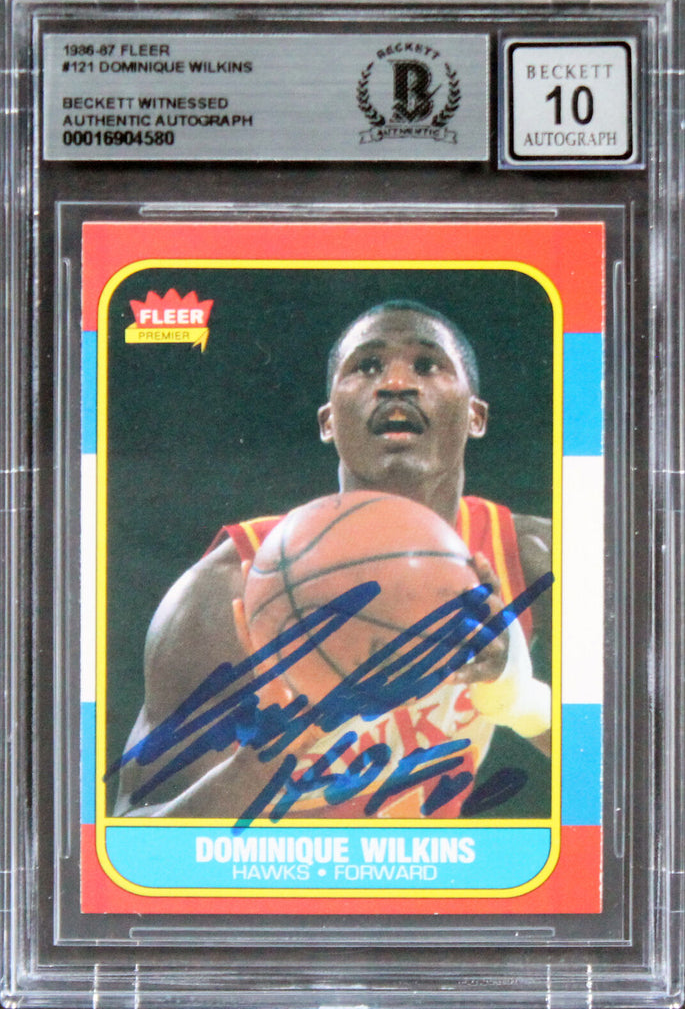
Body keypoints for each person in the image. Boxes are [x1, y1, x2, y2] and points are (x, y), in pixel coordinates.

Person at [112, 300, 552, 820]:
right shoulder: (227, 586)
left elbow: (623, 769)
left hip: (428, 871)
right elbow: (131, 839)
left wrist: (515, 694)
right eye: (367, 366)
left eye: (427, 365)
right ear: (327, 421)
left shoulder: (530, 557)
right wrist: (256, 764)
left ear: (476, 415)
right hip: (272, 871)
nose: (395, 383)